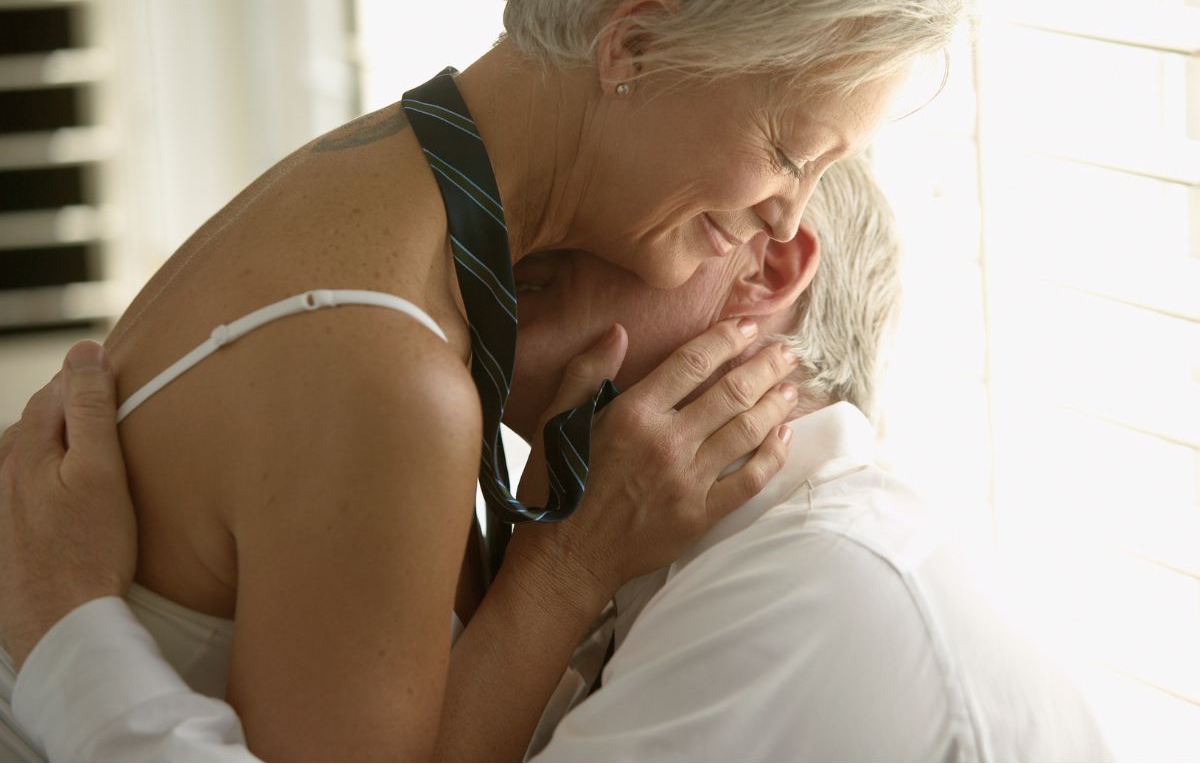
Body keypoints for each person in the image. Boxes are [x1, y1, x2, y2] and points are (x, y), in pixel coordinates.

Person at [1, 0, 969, 759]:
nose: (793, 217)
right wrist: (65, 632)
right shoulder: (389, 370)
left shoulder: (370, 188)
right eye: (793, 152)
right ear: (635, 45)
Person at [1, 158, 1110, 761]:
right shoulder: (662, 569)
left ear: (768, 264)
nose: (522, 227)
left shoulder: (821, 593)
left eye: (616, 192)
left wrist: (65, 633)